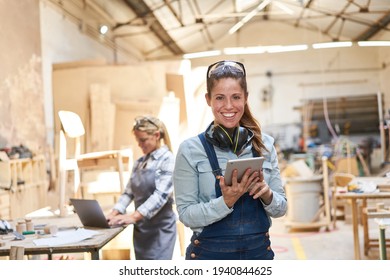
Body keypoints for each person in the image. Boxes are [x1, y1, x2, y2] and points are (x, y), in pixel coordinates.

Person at [173, 60, 287, 260]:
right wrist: (225, 201)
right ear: (208, 99)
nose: (228, 106)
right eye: (219, 98)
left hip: (258, 256)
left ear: (246, 98)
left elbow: (281, 208)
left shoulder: (265, 145)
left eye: (236, 97)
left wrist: (267, 194)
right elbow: (186, 214)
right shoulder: (190, 150)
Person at [106, 116, 177, 260]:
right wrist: (113, 213)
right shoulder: (139, 162)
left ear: (156, 135)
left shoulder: (168, 160)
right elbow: (128, 192)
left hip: (160, 232)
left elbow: (160, 196)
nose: (139, 145)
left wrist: (133, 216)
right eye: (138, 140)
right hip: (141, 231)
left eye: (143, 140)